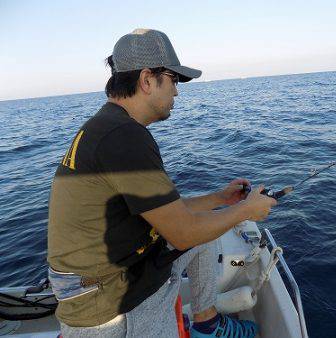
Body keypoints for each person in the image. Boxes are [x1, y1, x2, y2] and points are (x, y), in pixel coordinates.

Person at [47, 28, 277, 338]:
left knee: (206, 232)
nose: (177, 92)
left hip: (105, 278)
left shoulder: (109, 125)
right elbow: (182, 233)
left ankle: (207, 323)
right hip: (109, 305)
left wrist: (221, 199)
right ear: (147, 80)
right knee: (197, 232)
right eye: (174, 80)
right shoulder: (124, 136)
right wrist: (246, 211)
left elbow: (166, 212)